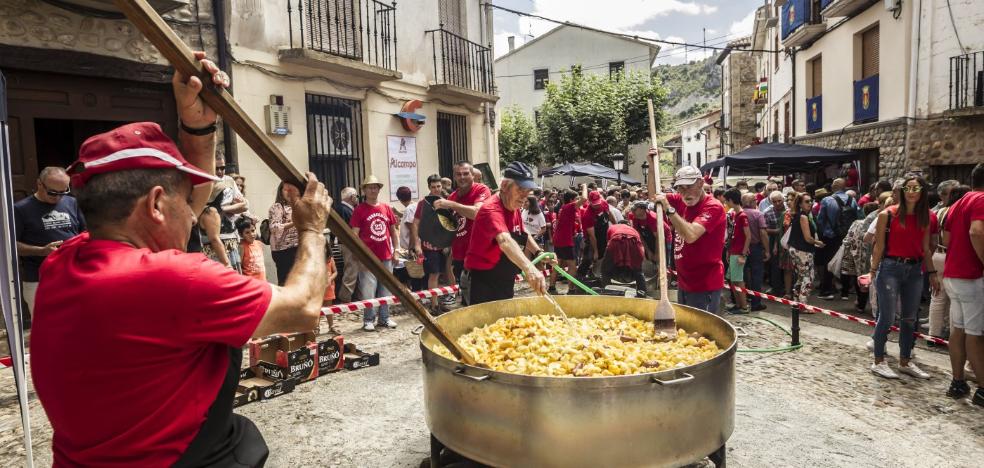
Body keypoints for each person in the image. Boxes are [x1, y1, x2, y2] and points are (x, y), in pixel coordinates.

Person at [30, 54, 331, 466]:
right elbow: (304, 309)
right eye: (184, 200)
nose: (194, 214)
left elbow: (186, 200)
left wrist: (197, 125)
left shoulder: (65, 261)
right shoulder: (171, 278)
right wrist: (313, 229)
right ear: (156, 203)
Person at [869, 176, 937, 380]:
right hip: (890, 267)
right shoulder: (887, 215)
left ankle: (905, 361)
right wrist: (872, 271)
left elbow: (925, 248)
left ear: (922, 191)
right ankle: (878, 361)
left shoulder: (926, 216)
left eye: (916, 188)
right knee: (887, 317)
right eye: (908, 188)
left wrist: (932, 273)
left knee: (910, 318)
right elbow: (878, 245)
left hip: (915, 270)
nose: (912, 191)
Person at [649, 155, 726, 315]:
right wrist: (651, 165)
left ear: (700, 183)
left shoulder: (712, 206)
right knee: (687, 327)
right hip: (685, 281)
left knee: (702, 332)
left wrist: (669, 210)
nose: (685, 192)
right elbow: (653, 195)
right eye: (680, 188)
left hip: (704, 283)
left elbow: (691, 235)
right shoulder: (681, 199)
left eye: (689, 187)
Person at [463, 161, 546, 305]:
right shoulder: (491, 209)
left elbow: (522, 232)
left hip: (505, 279)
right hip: (483, 282)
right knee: (484, 326)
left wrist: (538, 252)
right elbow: (505, 241)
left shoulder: (513, 206)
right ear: (504, 186)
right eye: (520, 189)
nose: (524, 196)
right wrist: (529, 268)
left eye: (527, 191)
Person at [15, 166, 86, 326]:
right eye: (53, 193)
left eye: (64, 192)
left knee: (77, 323)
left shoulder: (72, 202)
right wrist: (42, 251)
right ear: (39, 184)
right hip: (38, 278)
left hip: (72, 273)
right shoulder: (20, 209)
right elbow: (10, 246)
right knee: (45, 326)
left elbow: (84, 231)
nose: (58, 197)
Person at [941, 163, 984, 404]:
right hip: (972, 275)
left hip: (953, 273)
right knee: (975, 334)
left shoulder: (958, 202)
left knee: (959, 330)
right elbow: (977, 232)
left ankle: (958, 382)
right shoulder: (980, 199)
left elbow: (946, 239)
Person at [434, 161, 492, 302]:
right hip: (460, 257)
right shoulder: (452, 196)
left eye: (466, 173)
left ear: (472, 175)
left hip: (479, 255)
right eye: (458, 174)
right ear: (454, 177)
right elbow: (450, 226)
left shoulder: (481, 190)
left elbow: (478, 213)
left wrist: (451, 204)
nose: (462, 177)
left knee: (481, 301)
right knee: (467, 300)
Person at [351, 175, 399, 331]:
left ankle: (384, 318)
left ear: (379, 189)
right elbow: (354, 234)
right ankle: (368, 319)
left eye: (375, 187)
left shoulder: (386, 208)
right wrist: (359, 255)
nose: (373, 190)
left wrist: (396, 250)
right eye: (370, 187)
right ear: (364, 190)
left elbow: (393, 231)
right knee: (368, 289)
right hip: (368, 257)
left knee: (385, 288)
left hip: (386, 254)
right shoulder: (359, 210)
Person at [927, 185, 970, 341]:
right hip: (951, 255)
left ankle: (933, 334)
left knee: (937, 296)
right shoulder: (959, 211)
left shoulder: (939, 212)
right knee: (953, 298)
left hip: (937, 254)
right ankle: (954, 336)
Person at [816, 178, 859, 300]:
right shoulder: (853, 200)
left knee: (829, 262)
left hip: (831, 236)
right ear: (844, 187)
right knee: (845, 262)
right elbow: (858, 216)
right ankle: (845, 292)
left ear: (833, 187)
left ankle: (827, 291)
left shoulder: (827, 200)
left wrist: (823, 233)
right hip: (847, 236)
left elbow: (820, 220)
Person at [413, 175, 450, 314]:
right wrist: (417, 245)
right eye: (433, 187)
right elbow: (416, 224)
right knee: (433, 274)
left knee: (441, 273)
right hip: (429, 245)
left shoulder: (445, 201)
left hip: (443, 245)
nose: (436, 189)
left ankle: (438, 302)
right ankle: (434, 305)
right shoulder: (423, 203)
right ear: (429, 187)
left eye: (438, 186)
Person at [787, 192, 824, 310]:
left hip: (797, 249)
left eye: (811, 200)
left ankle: (797, 301)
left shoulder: (802, 215)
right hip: (802, 250)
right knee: (808, 277)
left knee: (801, 277)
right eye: (807, 201)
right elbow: (808, 238)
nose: (810, 203)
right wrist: (819, 243)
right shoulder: (803, 216)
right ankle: (803, 304)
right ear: (800, 204)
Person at [577, 190, 616, 279]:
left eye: (598, 203)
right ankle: (580, 277)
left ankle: (596, 274)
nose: (597, 205)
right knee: (589, 258)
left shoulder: (604, 203)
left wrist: (616, 225)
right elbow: (592, 236)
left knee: (603, 256)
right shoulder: (587, 215)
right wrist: (595, 251)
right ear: (589, 202)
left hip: (604, 234)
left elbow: (610, 215)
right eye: (594, 204)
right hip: (592, 239)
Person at [601, 221, 647, 295]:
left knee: (605, 269)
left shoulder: (612, 227)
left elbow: (608, 243)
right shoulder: (633, 229)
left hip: (616, 241)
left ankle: (605, 291)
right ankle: (642, 291)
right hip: (633, 242)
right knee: (638, 270)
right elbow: (640, 245)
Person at [268, 181, 301, 285]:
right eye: (286, 190)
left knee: (298, 280)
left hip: (298, 247)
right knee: (286, 281)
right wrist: (294, 223)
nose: (289, 192)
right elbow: (274, 228)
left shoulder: (298, 205)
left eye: (292, 190)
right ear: (281, 191)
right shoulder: (277, 206)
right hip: (283, 250)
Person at [723, 189, 750, 313]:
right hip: (733, 252)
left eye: (726, 201)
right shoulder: (735, 215)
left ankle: (743, 306)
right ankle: (738, 305)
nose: (726, 204)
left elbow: (748, 236)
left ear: (731, 200)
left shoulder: (742, 216)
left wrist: (743, 254)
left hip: (738, 253)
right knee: (733, 279)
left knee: (738, 280)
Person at [742, 192, 769, 311]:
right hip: (755, 248)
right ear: (753, 202)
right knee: (756, 275)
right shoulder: (758, 214)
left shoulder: (736, 213)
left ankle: (741, 300)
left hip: (740, 249)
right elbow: (763, 233)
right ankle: (755, 303)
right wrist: (767, 250)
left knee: (741, 275)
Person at [394, 186, 424, 292]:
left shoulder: (408, 209)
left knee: (414, 272)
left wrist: (411, 248)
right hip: (421, 244)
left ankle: (417, 295)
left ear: (399, 199)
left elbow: (412, 230)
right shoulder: (416, 205)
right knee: (420, 271)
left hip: (413, 246)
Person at [551, 190, 579, 293]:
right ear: (571, 200)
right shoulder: (569, 206)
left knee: (557, 264)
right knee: (572, 265)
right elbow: (585, 199)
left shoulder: (563, 207)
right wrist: (584, 185)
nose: (577, 201)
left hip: (559, 239)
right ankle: (571, 289)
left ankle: (552, 287)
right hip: (565, 241)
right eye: (576, 199)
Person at [336, 187, 361, 302]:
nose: (357, 199)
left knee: (353, 270)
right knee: (351, 271)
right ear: (352, 197)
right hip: (348, 244)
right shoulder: (345, 210)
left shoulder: (343, 208)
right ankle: (345, 297)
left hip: (346, 244)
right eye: (356, 196)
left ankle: (354, 296)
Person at [762, 191, 786, 296]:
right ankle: (777, 288)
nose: (777, 203)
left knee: (788, 265)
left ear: (783, 200)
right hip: (773, 240)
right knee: (775, 265)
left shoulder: (789, 209)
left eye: (779, 201)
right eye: (774, 201)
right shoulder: (767, 212)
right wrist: (777, 231)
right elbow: (764, 229)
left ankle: (788, 287)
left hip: (788, 240)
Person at [323, 244, 340, 335]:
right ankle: (316, 327)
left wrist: (330, 278)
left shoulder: (330, 259)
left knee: (328, 308)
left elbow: (335, 271)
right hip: (318, 289)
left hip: (328, 287)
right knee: (318, 309)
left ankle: (331, 326)